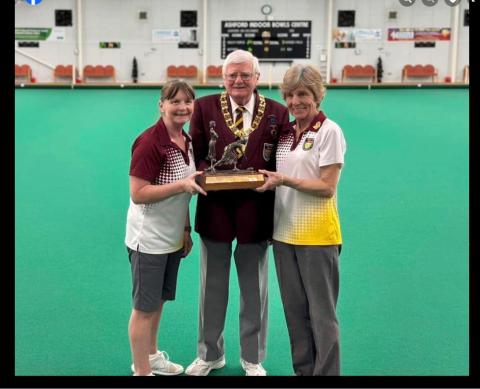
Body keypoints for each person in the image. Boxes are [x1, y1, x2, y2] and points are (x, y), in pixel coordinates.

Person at [186, 49, 290, 376]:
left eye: (245, 75)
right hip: (214, 209)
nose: (238, 80)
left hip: (256, 211)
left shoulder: (277, 112)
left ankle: (252, 358)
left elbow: (281, 163)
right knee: (211, 289)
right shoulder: (203, 107)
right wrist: (211, 174)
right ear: (223, 78)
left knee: (254, 291)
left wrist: (271, 181)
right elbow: (197, 154)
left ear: (257, 78)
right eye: (232, 75)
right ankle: (209, 354)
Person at [256, 64, 347, 376]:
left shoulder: (329, 131)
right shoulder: (284, 133)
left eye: (304, 94)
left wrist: (284, 180)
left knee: (322, 316)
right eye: (291, 95)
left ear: (317, 96)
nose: (297, 101)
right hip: (283, 235)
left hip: (318, 238)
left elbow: (326, 187)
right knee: (295, 314)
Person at [125, 80, 207, 376]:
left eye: (187, 101)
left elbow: (184, 194)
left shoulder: (187, 141)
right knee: (144, 308)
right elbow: (138, 192)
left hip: (172, 238)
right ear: (161, 105)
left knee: (158, 301)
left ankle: (152, 356)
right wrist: (181, 185)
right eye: (174, 101)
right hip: (148, 240)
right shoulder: (149, 142)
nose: (182, 107)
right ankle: (142, 371)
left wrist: (185, 230)